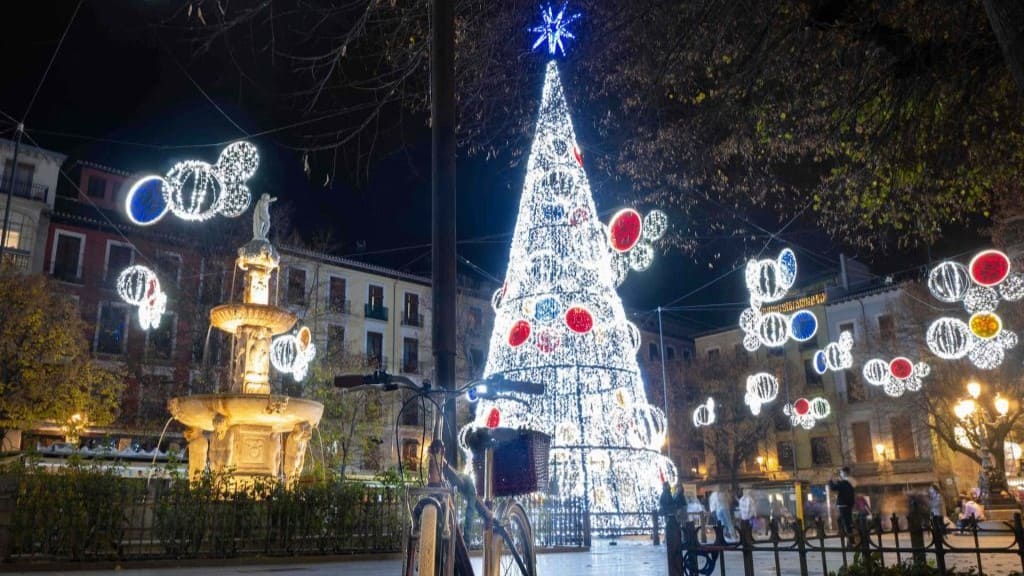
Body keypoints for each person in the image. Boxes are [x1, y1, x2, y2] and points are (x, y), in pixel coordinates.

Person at [829, 466, 856, 536]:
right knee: (846, 519)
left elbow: (833, 488)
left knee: (846, 521)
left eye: (841, 472)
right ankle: (844, 532)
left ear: (844, 473)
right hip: (849, 503)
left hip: (843, 504)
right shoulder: (851, 481)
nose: (840, 474)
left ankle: (850, 537)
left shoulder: (845, 482)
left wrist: (831, 481)